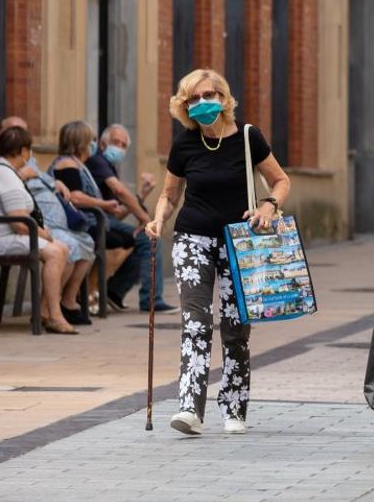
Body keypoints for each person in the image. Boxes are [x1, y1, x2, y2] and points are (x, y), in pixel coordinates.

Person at [145, 68, 290, 437]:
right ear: (184, 105)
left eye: (208, 95)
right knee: (195, 322)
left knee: (235, 327)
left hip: (239, 242)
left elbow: (280, 180)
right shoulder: (184, 143)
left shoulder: (247, 137)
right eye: (193, 98)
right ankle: (189, 408)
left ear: (224, 99)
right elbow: (169, 194)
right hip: (192, 239)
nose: (201, 103)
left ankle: (234, 407)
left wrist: (269, 207)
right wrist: (158, 220)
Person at [0, 126, 77, 334]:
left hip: (1, 236)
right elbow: (19, 222)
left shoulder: (4, 170)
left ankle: (45, 312)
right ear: (24, 151)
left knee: (64, 249)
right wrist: (44, 233)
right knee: (56, 252)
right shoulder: (3, 174)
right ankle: (54, 315)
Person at [87, 124, 174, 312]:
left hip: (107, 220)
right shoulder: (97, 161)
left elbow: (118, 212)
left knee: (141, 241)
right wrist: (144, 217)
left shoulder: (109, 166)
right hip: (94, 220)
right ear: (103, 143)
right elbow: (119, 191)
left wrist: (141, 195)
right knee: (150, 238)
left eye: (123, 145)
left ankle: (114, 291)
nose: (119, 147)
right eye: (115, 142)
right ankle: (152, 300)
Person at [50, 121, 135, 311]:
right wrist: (103, 204)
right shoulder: (67, 164)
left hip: (88, 221)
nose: (94, 145)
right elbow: (76, 197)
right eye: (92, 140)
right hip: (74, 223)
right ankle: (75, 297)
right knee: (107, 240)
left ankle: (84, 293)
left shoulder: (79, 164)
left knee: (125, 239)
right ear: (81, 142)